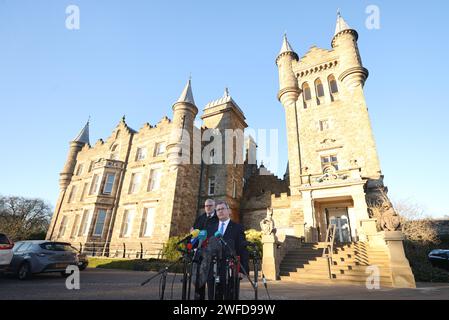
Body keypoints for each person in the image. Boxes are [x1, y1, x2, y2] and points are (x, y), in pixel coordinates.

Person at [213, 200, 249, 300]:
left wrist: (242, 269)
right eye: (218, 210)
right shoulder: (212, 228)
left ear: (229, 211)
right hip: (214, 270)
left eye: (222, 209)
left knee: (231, 297)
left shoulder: (237, 227)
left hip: (231, 270)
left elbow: (242, 249)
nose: (220, 211)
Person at [192, 199, 219, 300]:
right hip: (200, 253)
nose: (208, 207)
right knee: (199, 280)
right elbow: (194, 232)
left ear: (214, 206)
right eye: (206, 206)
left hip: (212, 254)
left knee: (211, 282)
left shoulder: (218, 218)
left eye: (210, 206)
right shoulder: (200, 218)